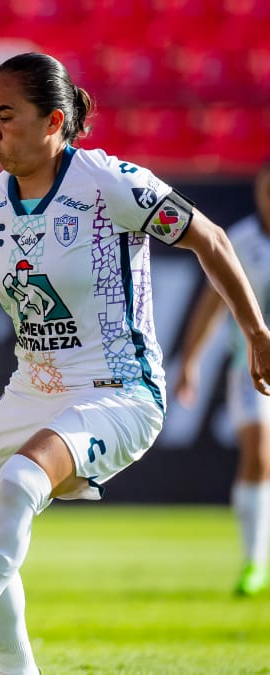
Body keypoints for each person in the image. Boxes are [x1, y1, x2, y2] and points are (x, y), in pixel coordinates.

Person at [0, 52, 270, 675]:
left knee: (21, 481)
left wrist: (255, 330)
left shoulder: (108, 183)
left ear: (55, 120)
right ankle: (19, 669)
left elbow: (211, 238)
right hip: (34, 385)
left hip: (119, 389)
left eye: (6, 115)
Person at [173, 160, 270, 597]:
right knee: (259, 452)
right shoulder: (242, 242)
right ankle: (254, 562)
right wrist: (190, 363)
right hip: (251, 370)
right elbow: (211, 305)